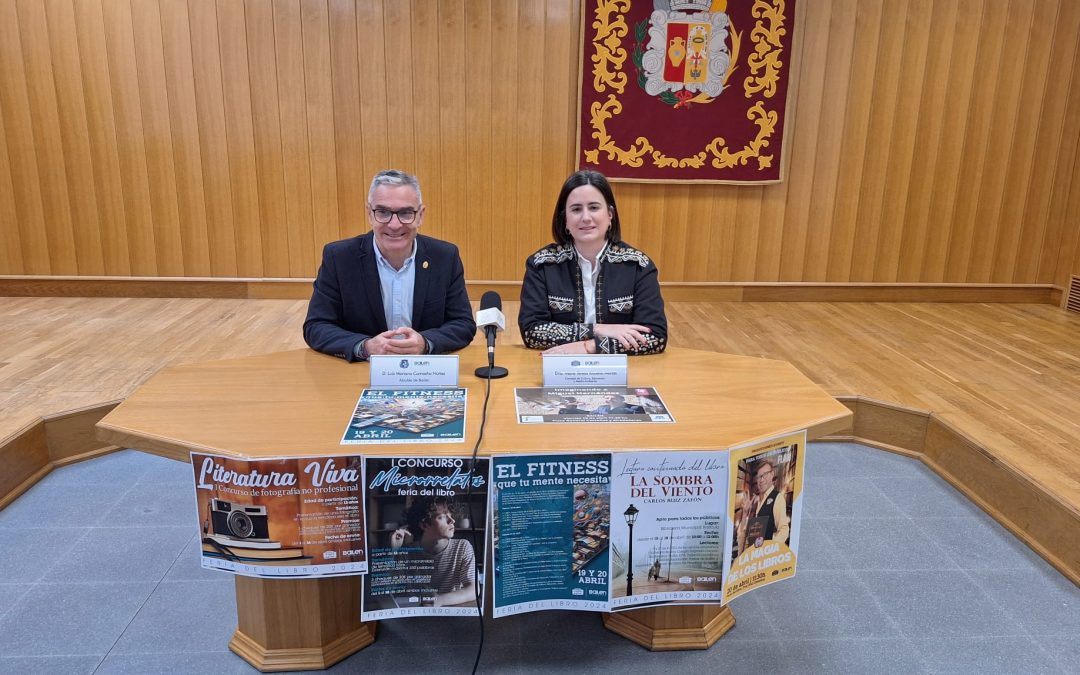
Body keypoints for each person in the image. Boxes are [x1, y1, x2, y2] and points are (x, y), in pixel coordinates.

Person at [304, 170, 476, 361]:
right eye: (383, 212)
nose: (394, 225)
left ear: (420, 215)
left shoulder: (444, 257)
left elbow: (462, 324)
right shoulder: (339, 258)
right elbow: (316, 326)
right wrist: (365, 347)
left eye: (406, 213)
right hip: (361, 371)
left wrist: (426, 343)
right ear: (370, 214)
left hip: (425, 370)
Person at [519, 170, 667, 355]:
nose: (586, 217)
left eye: (594, 207)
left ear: (610, 214)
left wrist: (591, 346)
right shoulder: (541, 265)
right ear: (565, 219)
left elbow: (655, 336)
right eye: (576, 209)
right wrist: (596, 329)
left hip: (622, 368)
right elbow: (531, 331)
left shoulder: (638, 266)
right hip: (557, 364)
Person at [390, 497, 476, 607]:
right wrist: (394, 552)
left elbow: (473, 590)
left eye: (450, 515)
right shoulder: (406, 552)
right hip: (416, 613)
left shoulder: (462, 547)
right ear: (424, 525)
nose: (452, 521)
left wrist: (440, 600)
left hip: (450, 612)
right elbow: (392, 590)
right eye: (442, 517)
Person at [736, 458, 790, 553]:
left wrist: (769, 551)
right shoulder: (754, 502)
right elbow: (742, 535)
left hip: (763, 557)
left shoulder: (777, 498)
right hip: (749, 556)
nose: (761, 480)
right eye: (759, 477)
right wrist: (745, 513)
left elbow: (784, 530)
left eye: (765, 475)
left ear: (772, 474)